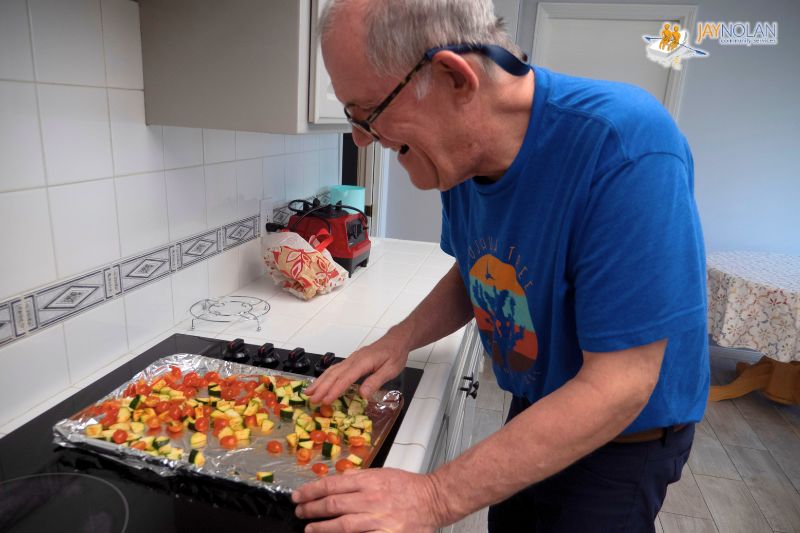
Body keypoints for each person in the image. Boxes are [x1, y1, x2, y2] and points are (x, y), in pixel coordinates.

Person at [292, 1, 709, 532]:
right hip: (540, 408)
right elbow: (477, 271)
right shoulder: (461, 152)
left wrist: (436, 497)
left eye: (366, 112)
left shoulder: (624, 147)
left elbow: (620, 385)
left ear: (453, 78)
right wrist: (397, 340)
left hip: (621, 442)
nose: (360, 138)